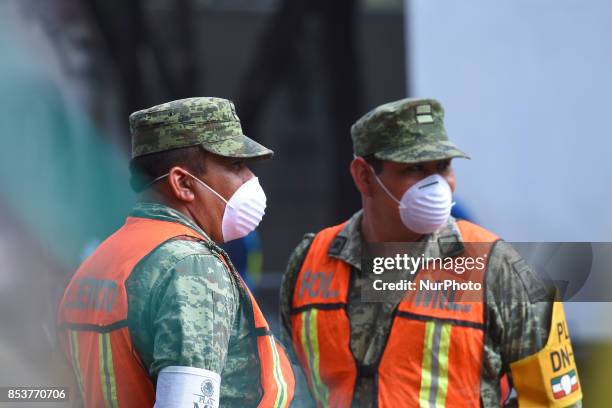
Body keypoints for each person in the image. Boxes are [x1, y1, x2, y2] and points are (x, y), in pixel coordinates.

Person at [279, 98, 582, 407]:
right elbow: (288, 383)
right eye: (414, 168)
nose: (436, 185)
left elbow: (556, 401)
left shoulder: (498, 267)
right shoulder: (309, 262)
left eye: (443, 167)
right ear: (364, 176)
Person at [57, 97, 294, 407]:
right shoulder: (192, 267)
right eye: (235, 165)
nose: (250, 178)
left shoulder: (101, 262)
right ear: (183, 183)